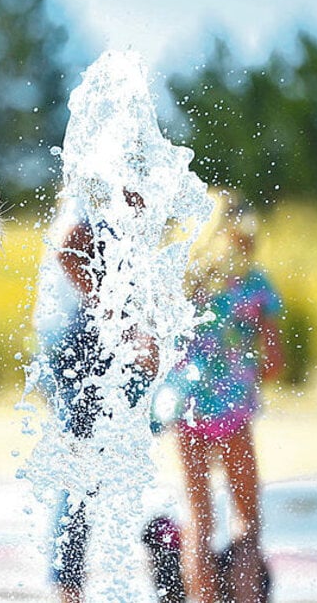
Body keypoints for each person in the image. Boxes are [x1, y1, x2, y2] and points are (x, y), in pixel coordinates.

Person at [41, 189, 158, 603]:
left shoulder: (105, 181)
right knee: (85, 466)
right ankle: (67, 586)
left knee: (100, 459)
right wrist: (119, 318)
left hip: (81, 336)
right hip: (81, 341)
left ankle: (72, 579)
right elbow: (68, 246)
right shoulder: (99, 177)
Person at [169, 191, 283, 603]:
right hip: (234, 407)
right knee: (246, 520)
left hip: (188, 407)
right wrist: (242, 364)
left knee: (198, 517)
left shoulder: (185, 279)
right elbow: (274, 362)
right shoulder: (253, 283)